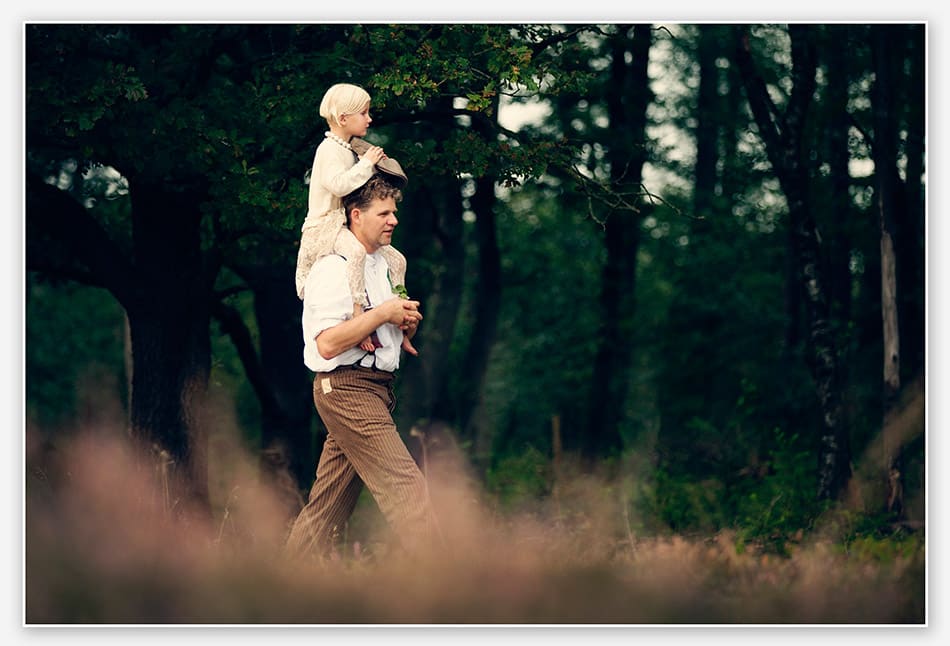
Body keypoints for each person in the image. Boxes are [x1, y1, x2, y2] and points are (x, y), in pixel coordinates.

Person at [285, 175, 438, 560]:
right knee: (405, 485)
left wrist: (401, 321)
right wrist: (383, 312)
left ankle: (281, 586)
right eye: (384, 213)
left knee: (327, 509)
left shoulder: (382, 265)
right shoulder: (332, 268)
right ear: (356, 215)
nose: (393, 220)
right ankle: (447, 587)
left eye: (395, 212)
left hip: (377, 388)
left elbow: (375, 324)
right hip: (346, 388)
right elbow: (328, 342)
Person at [294, 82, 408, 353]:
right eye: (363, 113)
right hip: (325, 226)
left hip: (341, 223)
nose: (369, 119)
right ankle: (359, 317)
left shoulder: (346, 148)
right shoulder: (329, 149)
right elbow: (339, 186)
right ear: (343, 118)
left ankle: (400, 305)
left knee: (397, 258)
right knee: (356, 254)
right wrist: (367, 164)